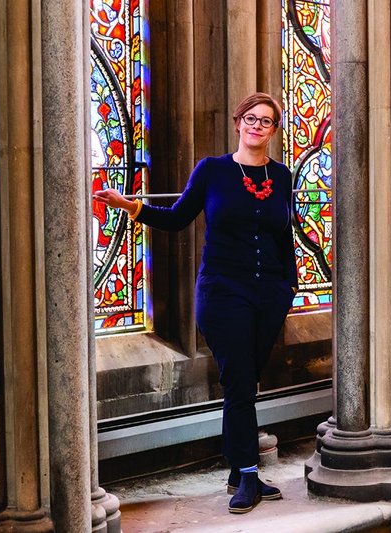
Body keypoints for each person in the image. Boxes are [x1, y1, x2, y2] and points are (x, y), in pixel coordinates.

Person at [93, 92, 297, 515]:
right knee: (238, 384)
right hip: (223, 294)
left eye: (267, 121)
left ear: (274, 131)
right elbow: (177, 217)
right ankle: (246, 473)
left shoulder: (283, 176)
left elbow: (284, 237)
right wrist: (131, 206)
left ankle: (239, 473)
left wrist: (289, 289)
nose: (258, 126)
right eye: (251, 119)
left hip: (268, 296)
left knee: (245, 383)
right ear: (238, 123)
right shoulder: (213, 171)